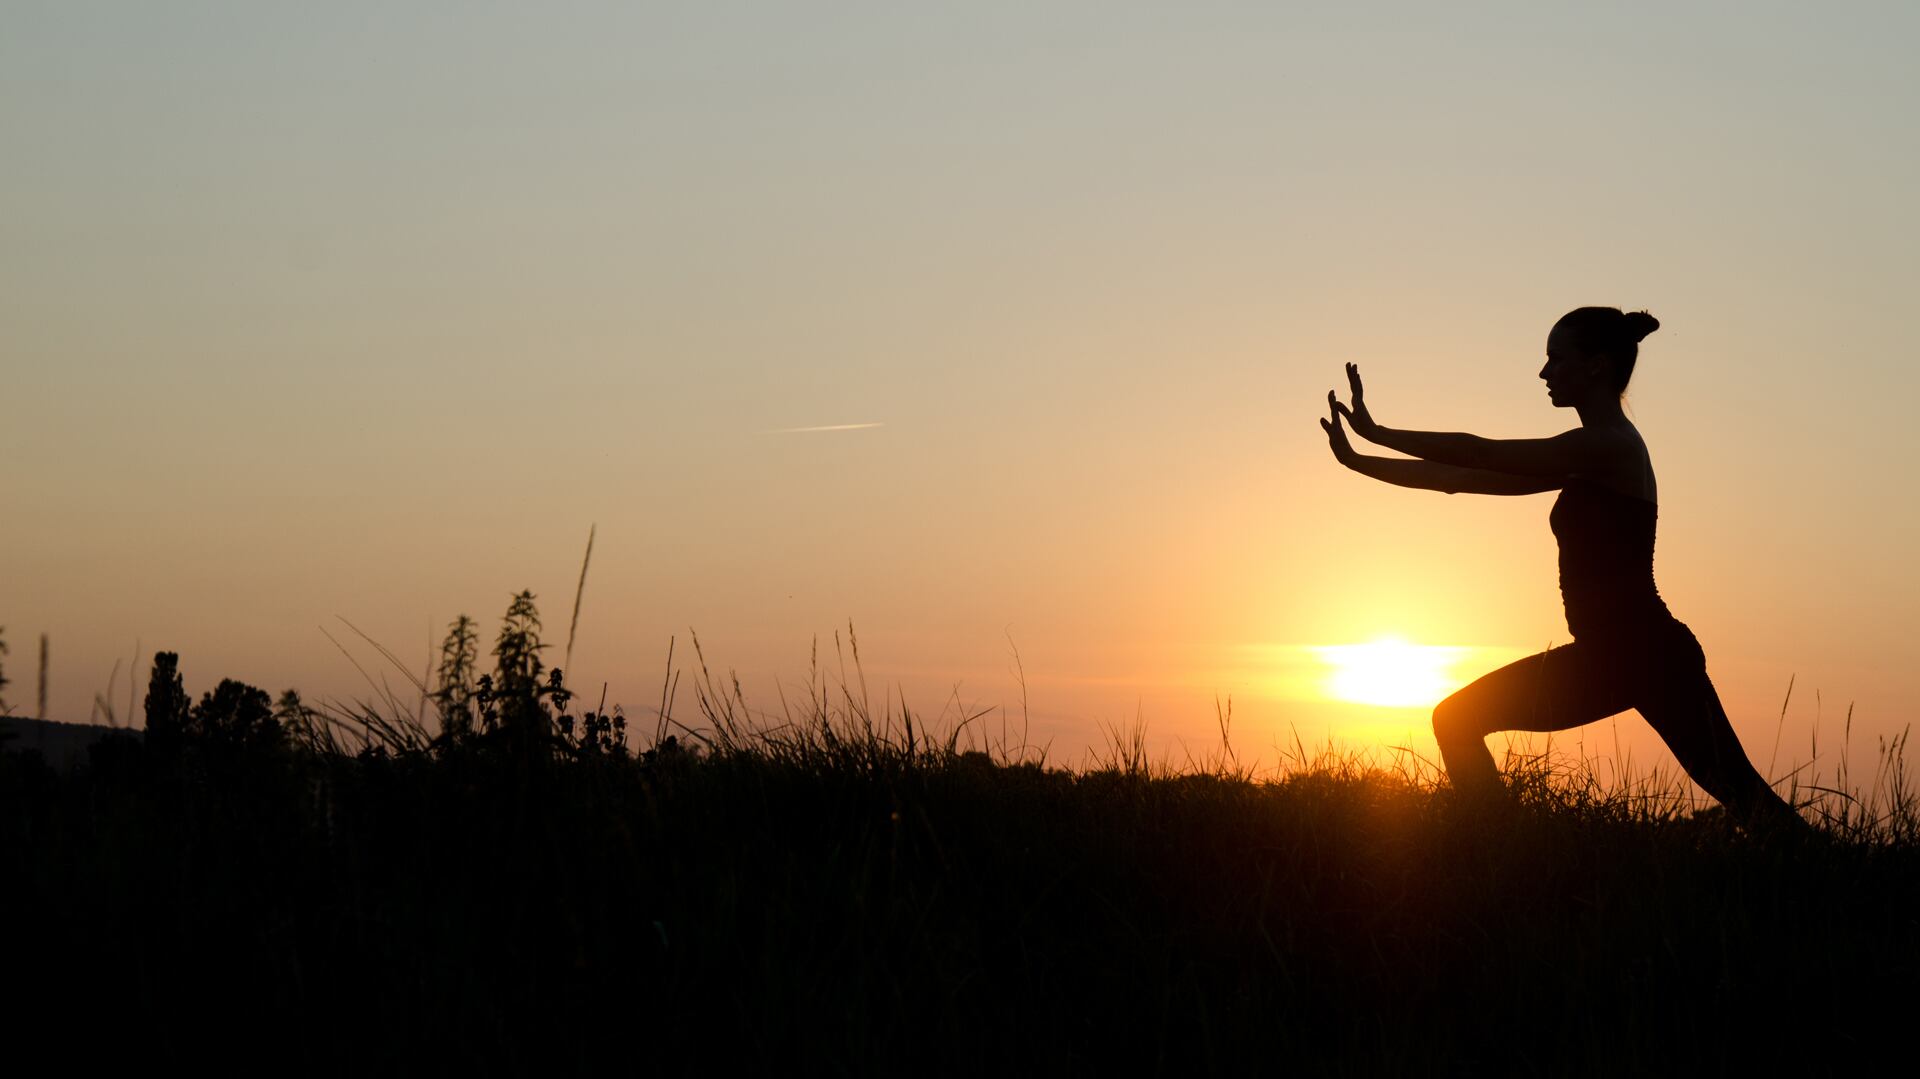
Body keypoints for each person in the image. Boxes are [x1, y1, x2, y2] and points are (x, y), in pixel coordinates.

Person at [1318, 307, 1805, 833]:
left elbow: (1474, 451)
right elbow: (1460, 475)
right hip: (1618, 655)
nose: (1544, 373)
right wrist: (1358, 459)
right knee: (1749, 801)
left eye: (1556, 359)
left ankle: (1502, 849)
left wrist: (1379, 431)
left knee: (1746, 799)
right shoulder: (1584, 458)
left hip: (1642, 653)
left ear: (1596, 366)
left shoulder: (1608, 446)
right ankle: (1506, 850)